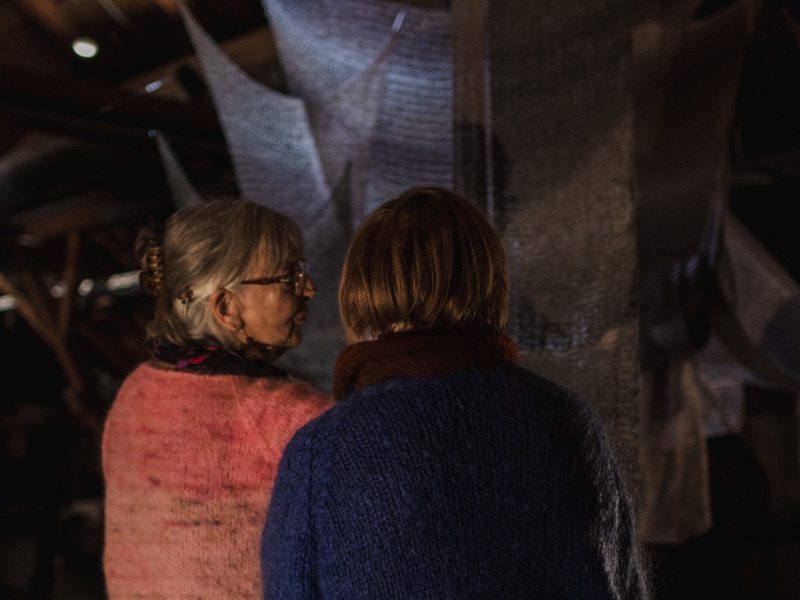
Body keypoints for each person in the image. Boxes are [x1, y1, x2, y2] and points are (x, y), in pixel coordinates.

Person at [261, 186, 650, 599]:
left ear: (361, 290)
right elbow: (622, 587)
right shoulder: (569, 422)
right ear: (489, 281)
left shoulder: (321, 454)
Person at [102, 198, 333, 599]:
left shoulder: (134, 391)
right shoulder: (282, 416)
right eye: (288, 276)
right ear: (226, 307)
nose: (308, 289)